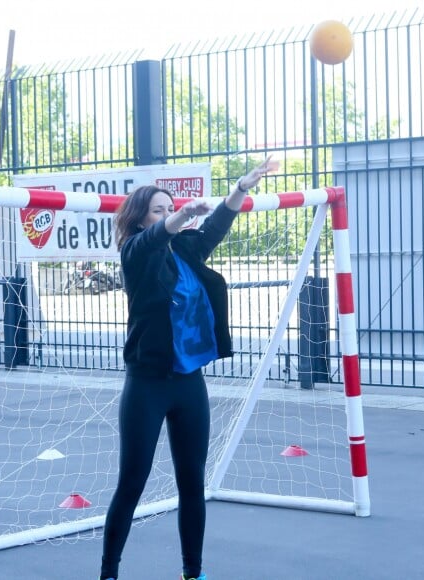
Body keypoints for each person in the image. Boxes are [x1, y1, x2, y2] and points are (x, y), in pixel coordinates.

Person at [99, 156, 280, 580]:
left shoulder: (185, 248)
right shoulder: (135, 253)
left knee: (192, 484)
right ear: (142, 220)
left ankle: (192, 572)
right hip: (146, 385)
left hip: (188, 385)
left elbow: (216, 225)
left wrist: (242, 185)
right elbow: (154, 238)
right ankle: (108, 573)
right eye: (157, 210)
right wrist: (179, 215)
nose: (166, 214)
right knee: (132, 484)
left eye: (169, 206)